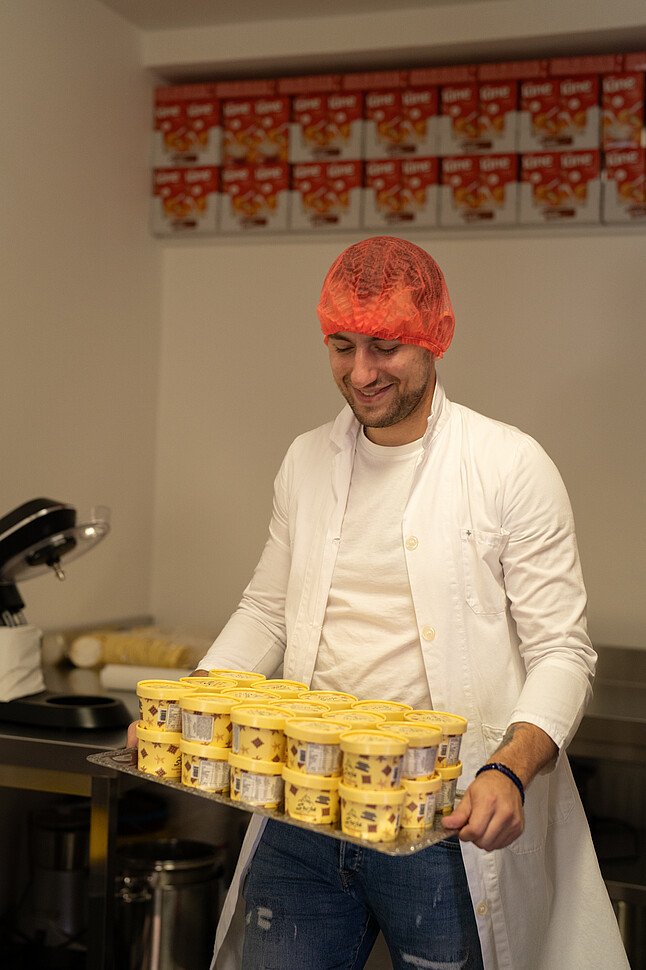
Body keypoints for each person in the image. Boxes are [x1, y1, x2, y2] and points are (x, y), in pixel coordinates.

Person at [128, 236, 628, 970]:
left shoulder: (508, 466)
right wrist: (190, 709)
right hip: (307, 804)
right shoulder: (306, 461)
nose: (361, 373)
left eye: (386, 347)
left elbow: (562, 650)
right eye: (342, 346)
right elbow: (266, 611)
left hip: (441, 819)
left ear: (435, 339)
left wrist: (509, 769)